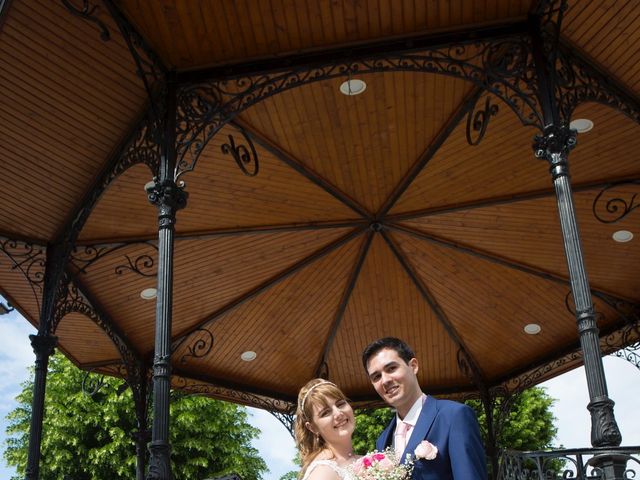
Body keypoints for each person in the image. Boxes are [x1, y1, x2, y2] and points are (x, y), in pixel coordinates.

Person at [362, 337, 487, 480]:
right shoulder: (382, 440)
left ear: (413, 366)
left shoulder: (454, 417)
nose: (385, 380)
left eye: (391, 368)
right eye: (376, 376)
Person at [294, 378, 360, 480]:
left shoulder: (360, 460)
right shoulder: (322, 472)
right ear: (312, 428)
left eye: (340, 404)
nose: (338, 413)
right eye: (325, 413)